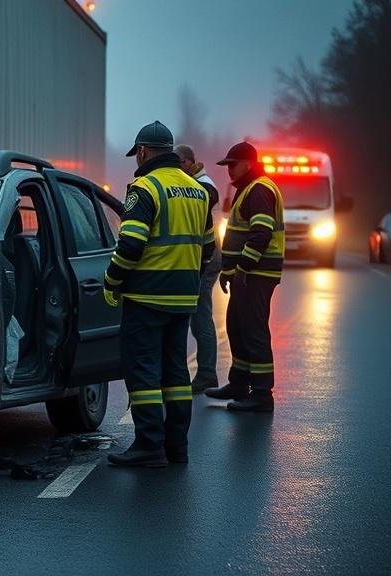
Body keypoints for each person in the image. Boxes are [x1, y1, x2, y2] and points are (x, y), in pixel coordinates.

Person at [103, 121, 214, 467]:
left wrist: (112, 280)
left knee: (143, 371)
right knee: (176, 372)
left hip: (147, 296)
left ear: (143, 152)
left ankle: (149, 444)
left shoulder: (144, 188)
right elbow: (208, 248)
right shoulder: (196, 190)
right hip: (183, 297)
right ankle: (176, 447)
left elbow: (131, 244)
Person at [205, 142, 284, 412]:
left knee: (253, 331)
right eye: (227, 165)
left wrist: (242, 268)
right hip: (247, 274)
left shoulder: (259, 189)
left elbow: (261, 234)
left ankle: (262, 394)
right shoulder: (248, 189)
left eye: (233, 164)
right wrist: (229, 272)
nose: (229, 170)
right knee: (237, 326)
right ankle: (239, 383)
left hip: (256, 274)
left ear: (248, 164)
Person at [175, 144, 222, 393]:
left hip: (207, 258)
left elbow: (206, 200)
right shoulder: (196, 182)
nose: (177, 166)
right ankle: (205, 373)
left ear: (191, 162)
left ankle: (206, 374)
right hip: (202, 256)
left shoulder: (204, 185)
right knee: (197, 318)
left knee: (201, 317)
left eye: (179, 161)